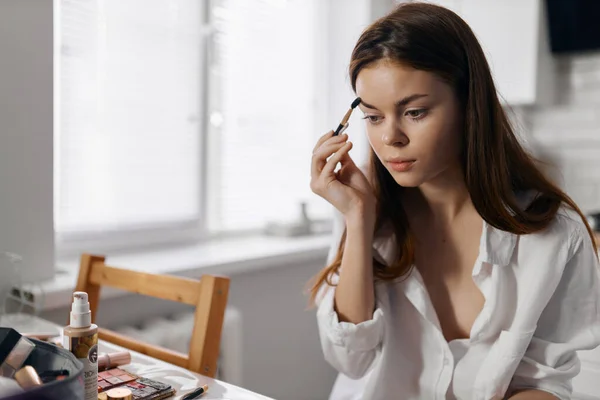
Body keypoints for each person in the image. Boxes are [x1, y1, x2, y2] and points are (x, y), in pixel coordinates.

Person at [308, 2, 600, 400]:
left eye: (415, 112)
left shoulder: (554, 236)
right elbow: (350, 361)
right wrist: (358, 222)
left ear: (469, 104)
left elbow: (543, 384)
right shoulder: (362, 211)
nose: (391, 138)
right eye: (373, 117)